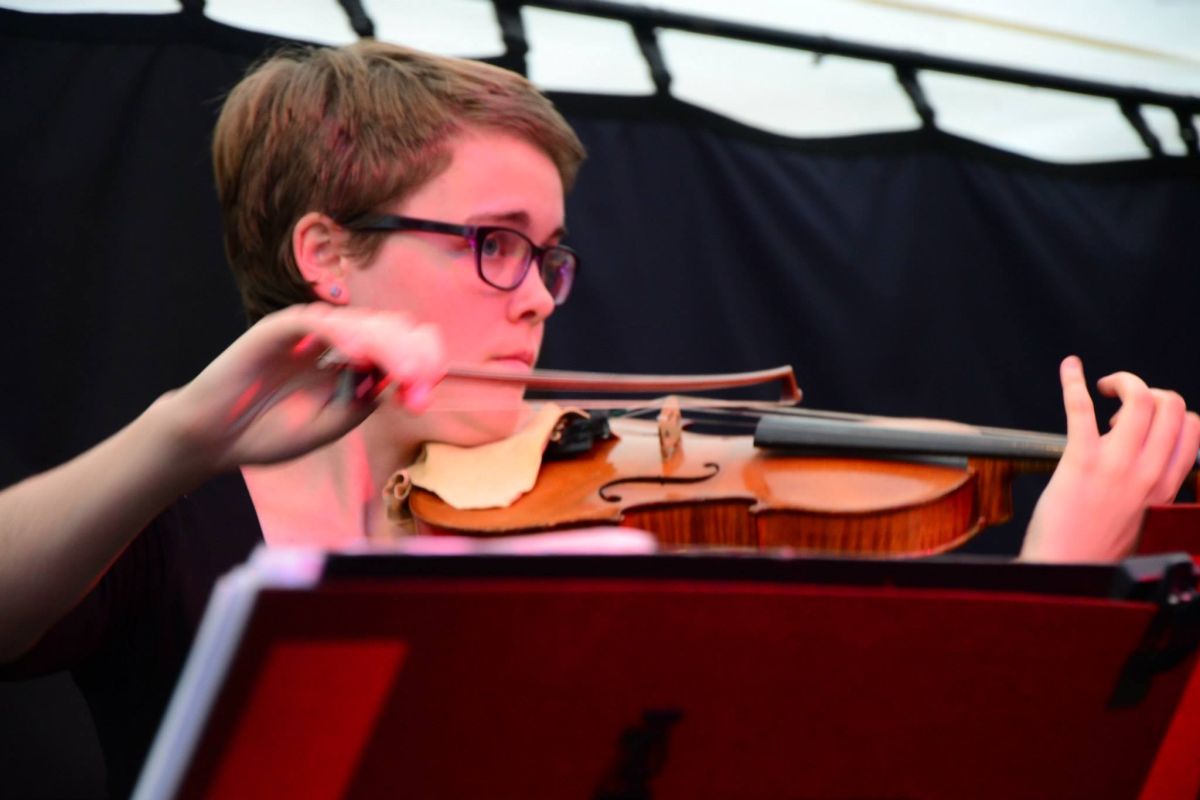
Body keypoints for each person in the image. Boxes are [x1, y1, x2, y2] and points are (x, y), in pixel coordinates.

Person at [0, 40, 1196, 797]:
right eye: (493, 244)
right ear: (327, 253)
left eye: (548, 256)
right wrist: (184, 435)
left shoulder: (574, 530)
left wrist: (1061, 584)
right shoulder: (168, 519)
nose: (535, 298)